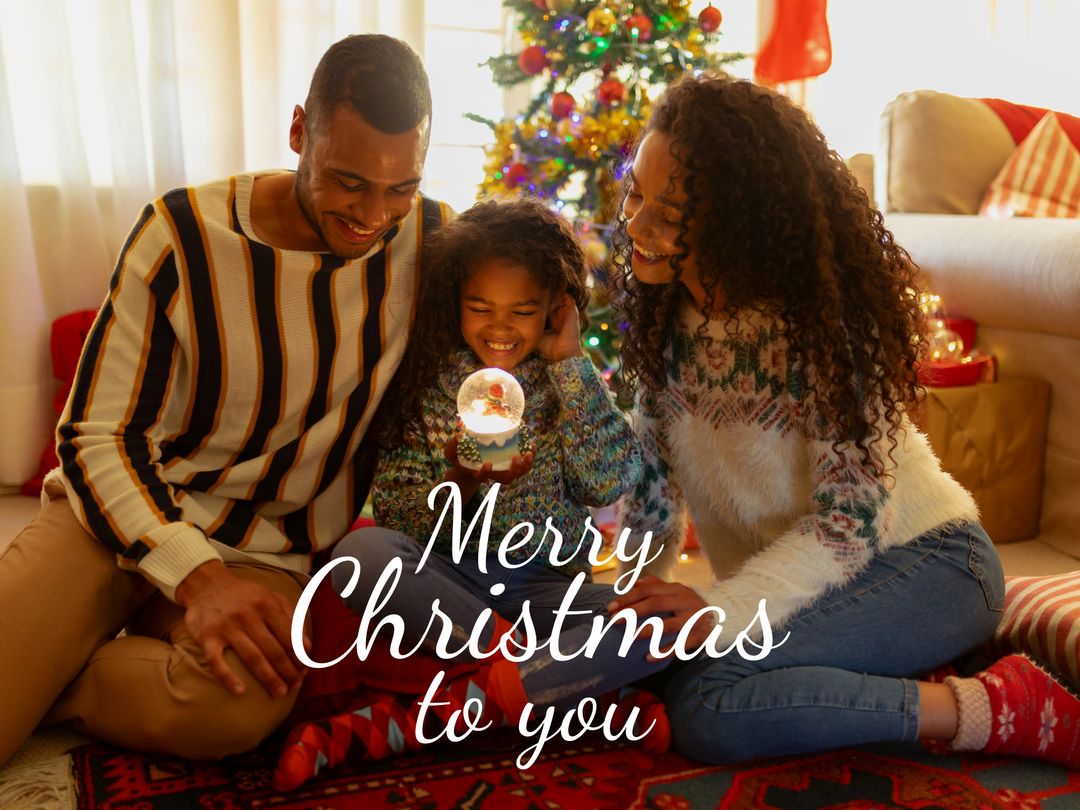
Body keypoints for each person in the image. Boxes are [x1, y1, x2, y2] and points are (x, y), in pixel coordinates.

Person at [0, 34, 450, 767]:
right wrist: (196, 579)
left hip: (265, 548)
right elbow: (93, 436)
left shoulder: (429, 238)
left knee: (243, 698)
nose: (376, 213)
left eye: (401, 186)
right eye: (349, 181)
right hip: (116, 520)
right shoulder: (180, 234)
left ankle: (50, 681)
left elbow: (510, 310)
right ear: (300, 130)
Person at [607, 73, 1080, 767]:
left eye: (668, 213)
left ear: (737, 218)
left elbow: (847, 531)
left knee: (709, 707)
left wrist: (720, 613)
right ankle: (881, 668)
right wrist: (635, 613)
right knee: (631, 659)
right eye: (633, 194)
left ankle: (993, 706)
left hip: (931, 568)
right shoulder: (664, 324)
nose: (635, 226)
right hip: (808, 591)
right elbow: (651, 500)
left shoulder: (822, 334)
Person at [272, 197, 669, 791]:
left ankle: (415, 718)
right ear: (454, 302)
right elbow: (398, 513)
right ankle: (566, 692)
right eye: (480, 307)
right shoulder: (432, 380)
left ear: (554, 311)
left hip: (545, 591)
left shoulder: (563, 379)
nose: (501, 328)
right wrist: (463, 479)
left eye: (524, 311)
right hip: (448, 583)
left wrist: (569, 361)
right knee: (361, 555)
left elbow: (612, 479)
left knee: (667, 622)